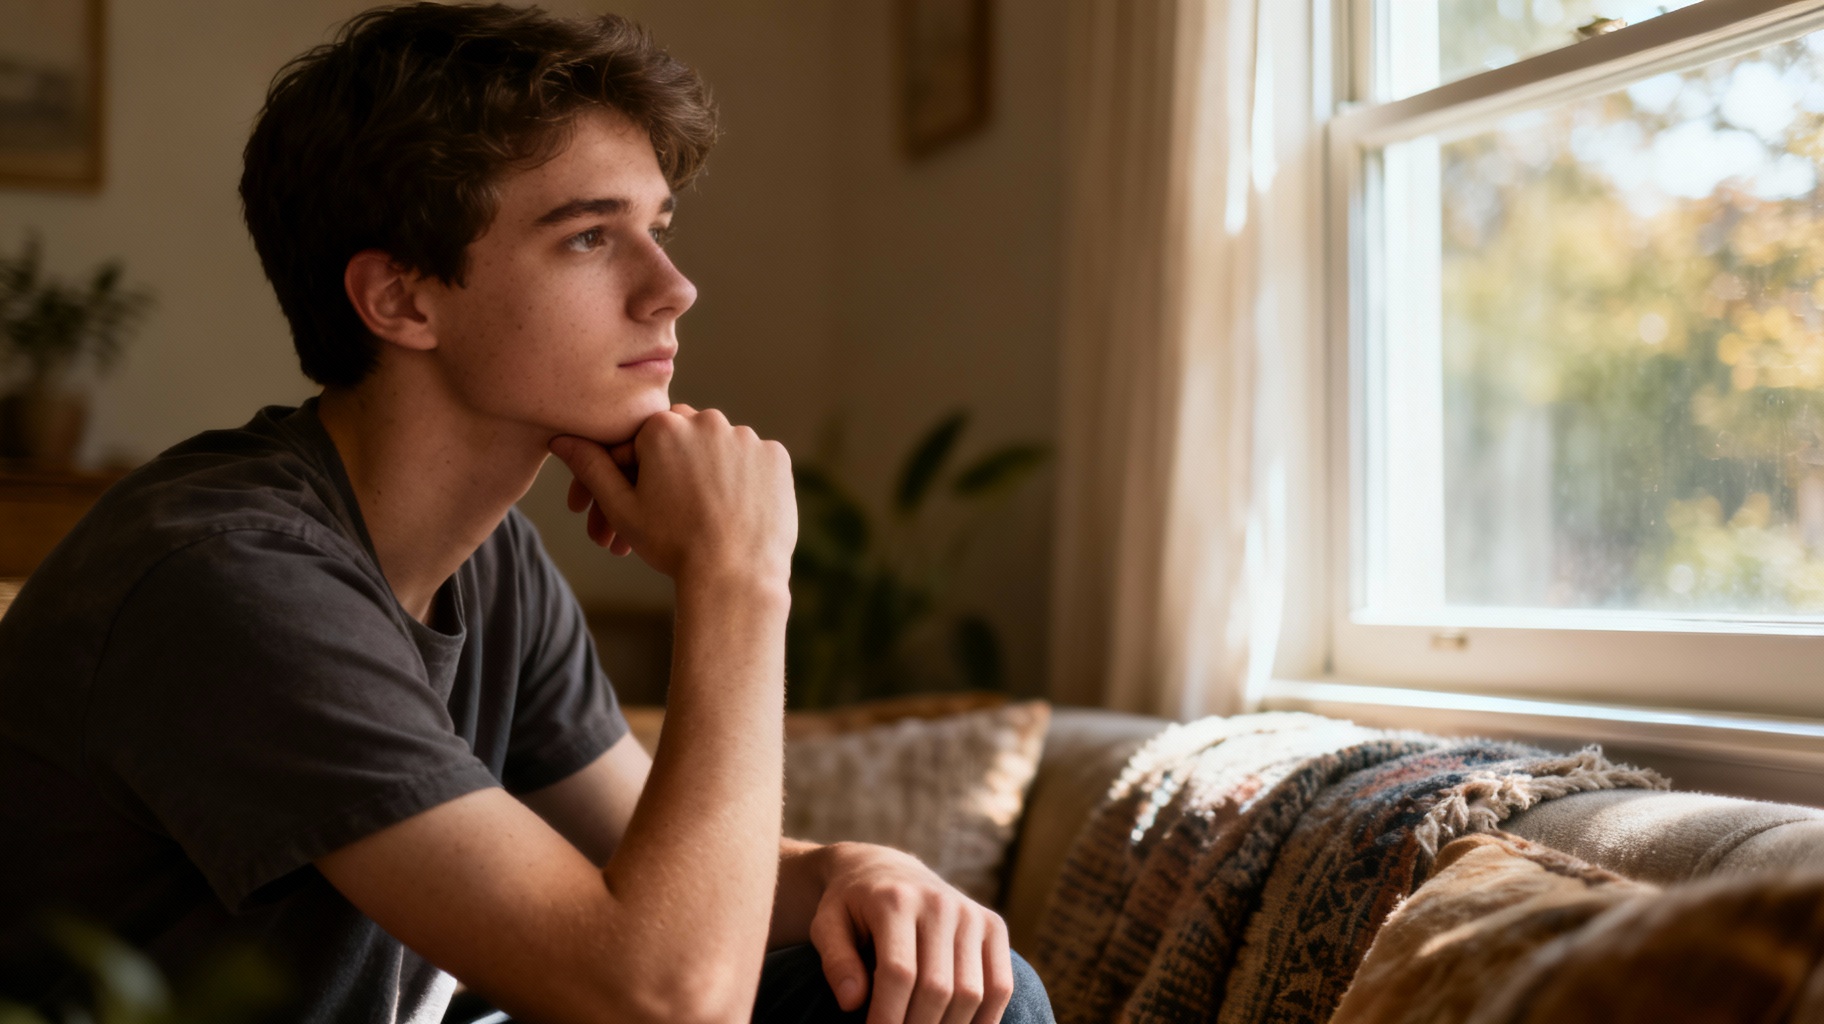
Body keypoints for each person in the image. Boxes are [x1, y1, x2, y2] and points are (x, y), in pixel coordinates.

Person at [0, 5, 1055, 1023]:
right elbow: (666, 999)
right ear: (402, 299)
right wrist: (739, 578)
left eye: (657, 228)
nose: (673, 288)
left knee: (959, 984)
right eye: (592, 238)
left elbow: (650, 861)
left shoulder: (491, 557)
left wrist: (849, 868)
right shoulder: (226, 576)